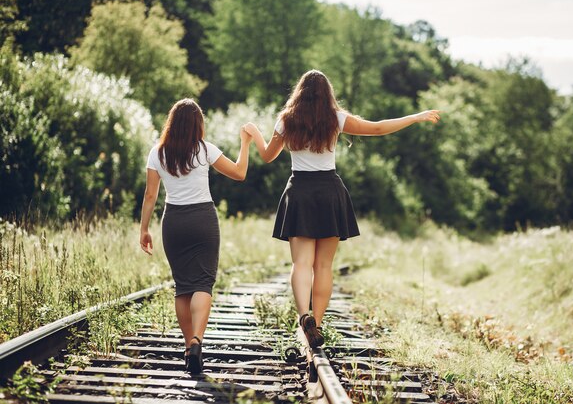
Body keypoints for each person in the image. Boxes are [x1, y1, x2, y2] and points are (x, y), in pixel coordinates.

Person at [245, 70, 440, 347]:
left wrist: (254, 134)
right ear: (328, 94)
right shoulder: (335, 118)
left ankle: (304, 318)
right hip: (329, 192)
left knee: (301, 263)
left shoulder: (286, 120)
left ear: (298, 92)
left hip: (299, 191)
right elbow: (377, 127)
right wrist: (415, 117)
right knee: (324, 265)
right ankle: (318, 324)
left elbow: (266, 156)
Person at [139, 98, 253, 374]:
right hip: (203, 220)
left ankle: (188, 347)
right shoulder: (205, 150)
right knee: (203, 282)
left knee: (183, 286)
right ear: (197, 124)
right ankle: (196, 341)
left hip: (174, 222)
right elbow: (239, 173)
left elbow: (151, 194)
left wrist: (144, 228)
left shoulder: (158, 152)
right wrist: (246, 143)